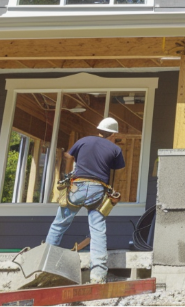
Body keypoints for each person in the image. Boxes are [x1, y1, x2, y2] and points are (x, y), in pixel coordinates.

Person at [45, 117, 125, 284]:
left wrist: (67, 177)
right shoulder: (115, 149)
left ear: (99, 130)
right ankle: (98, 275)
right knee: (97, 230)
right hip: (98, 189)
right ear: (114, 134)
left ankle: (45, 265)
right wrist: (113, 191)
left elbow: (68, 157)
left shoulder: (83, 141)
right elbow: (118, 173)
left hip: (77, 187)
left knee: (59, 224)